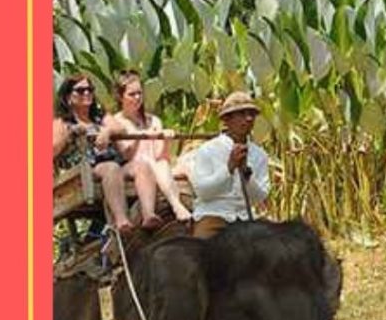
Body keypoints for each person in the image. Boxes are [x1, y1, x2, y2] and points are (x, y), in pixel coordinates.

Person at [52, 73, 153, 234]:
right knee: (110, 168)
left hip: (114, 162)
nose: (86, 94)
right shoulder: (62, 122)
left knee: (141, 166)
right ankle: (121, 219)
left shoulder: (99, 116)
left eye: (89, 90)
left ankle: (148, 214)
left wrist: (106, 131)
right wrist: (70, 134)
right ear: (69, 97)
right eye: (80, 90)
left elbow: (121, 128)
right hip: (84, 170)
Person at [112, 70, 192, 224]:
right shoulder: (116, 122)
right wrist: (141, 136)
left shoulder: (153, 120)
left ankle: (178, 205)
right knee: (146, 162)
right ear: (120, 96)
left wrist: (166, 140)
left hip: (156, 167)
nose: (137, 98)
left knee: (166, 163)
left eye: (139, 93)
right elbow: (126, 155)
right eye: (132, 94)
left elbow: (161, 156)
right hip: (130, 169)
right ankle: (161, 210)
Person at [190, 91, 270, 239]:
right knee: (201, 252)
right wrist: (229, 168)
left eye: (251, 114)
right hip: (214, 216)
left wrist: (246, 173)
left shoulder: (260, 155)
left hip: (246, 218)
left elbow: (260, 197)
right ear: (227, 119)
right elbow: (202, 192)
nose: (248, 119)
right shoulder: (208, 150)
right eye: (241, 114)